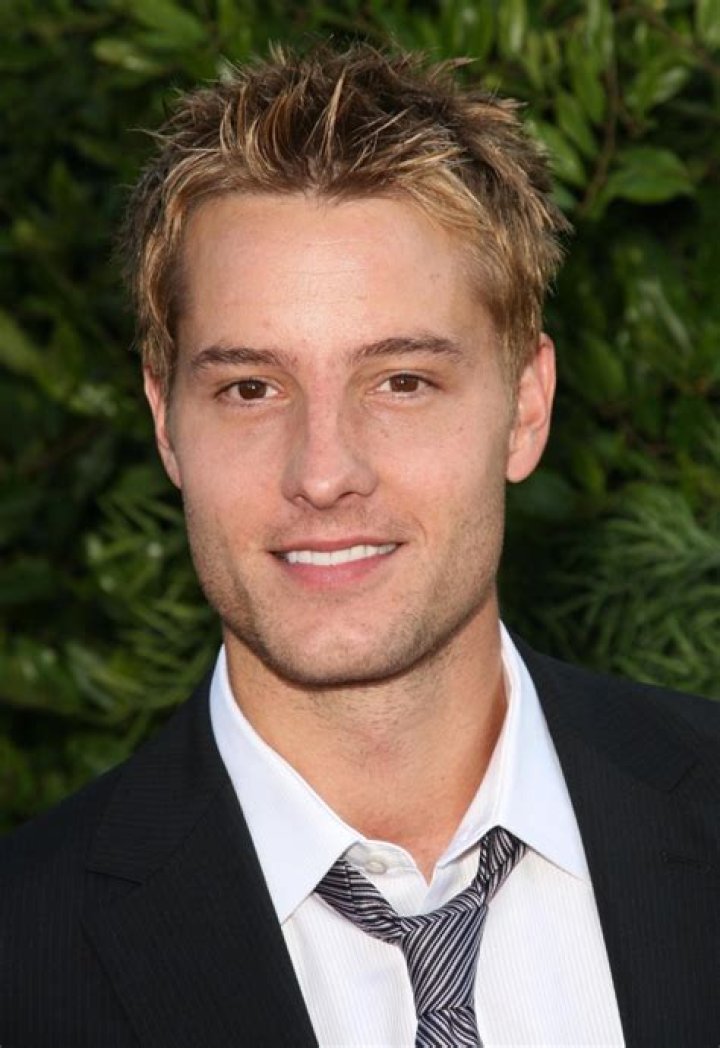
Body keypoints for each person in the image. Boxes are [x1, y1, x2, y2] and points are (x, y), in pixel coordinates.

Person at [1, 43, 717, 1048]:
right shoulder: (23, 956)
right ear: (166, 423)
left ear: (526, 406)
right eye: (251, 388)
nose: (324, 471)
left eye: (402, 381)